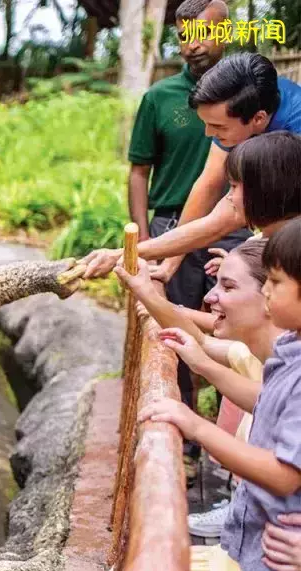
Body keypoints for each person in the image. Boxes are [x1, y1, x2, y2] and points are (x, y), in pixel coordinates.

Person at [139, 218, 301, 571]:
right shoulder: (289, 352)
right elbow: (266, 404)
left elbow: (284, 475)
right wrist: (202, 364)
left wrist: (195, 425)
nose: (265, 291)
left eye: (275, 282)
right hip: (265, 556)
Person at [81, 53, 301, 280]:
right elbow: (208, 185)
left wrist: (124, 253)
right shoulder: (243, 108)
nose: (209, 134)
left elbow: (225, 220)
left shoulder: (294, 132)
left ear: (258, 119)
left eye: (217, 126)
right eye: (206, 124)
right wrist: (169, 265)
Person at [125, 0, 233, 417]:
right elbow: (139, 172)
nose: (193, 46)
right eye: (184, 36)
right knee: (172, 326)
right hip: (171, 226)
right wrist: (148, 238)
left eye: (203, 33)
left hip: (234, 228)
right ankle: (182, 430)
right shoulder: (159, 97)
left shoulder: (250, 92)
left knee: (239, 328)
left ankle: (234, 431)